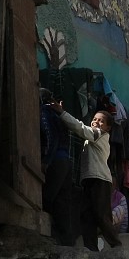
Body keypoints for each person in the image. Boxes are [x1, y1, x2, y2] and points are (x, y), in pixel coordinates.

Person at [49, 100, 121, 250]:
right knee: (87, 215)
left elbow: (80, 128)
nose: (97, 122)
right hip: (89, 179)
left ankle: (116, 245)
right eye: (95, 119)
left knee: (101, 214)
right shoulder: (93, 138)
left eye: (101, 121)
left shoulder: (100, 135)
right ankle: (91, 248)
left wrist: (62, 113)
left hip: (99, 180)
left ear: (108, 128)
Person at [40, 89, 75, 245]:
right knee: (62, 202)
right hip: (66, 162)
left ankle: (47, 236)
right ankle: (66, 241)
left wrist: (46, 160)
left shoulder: (44, 113)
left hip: (56, 161)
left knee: (47, 198)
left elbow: (50, 138)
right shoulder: (59, 115)